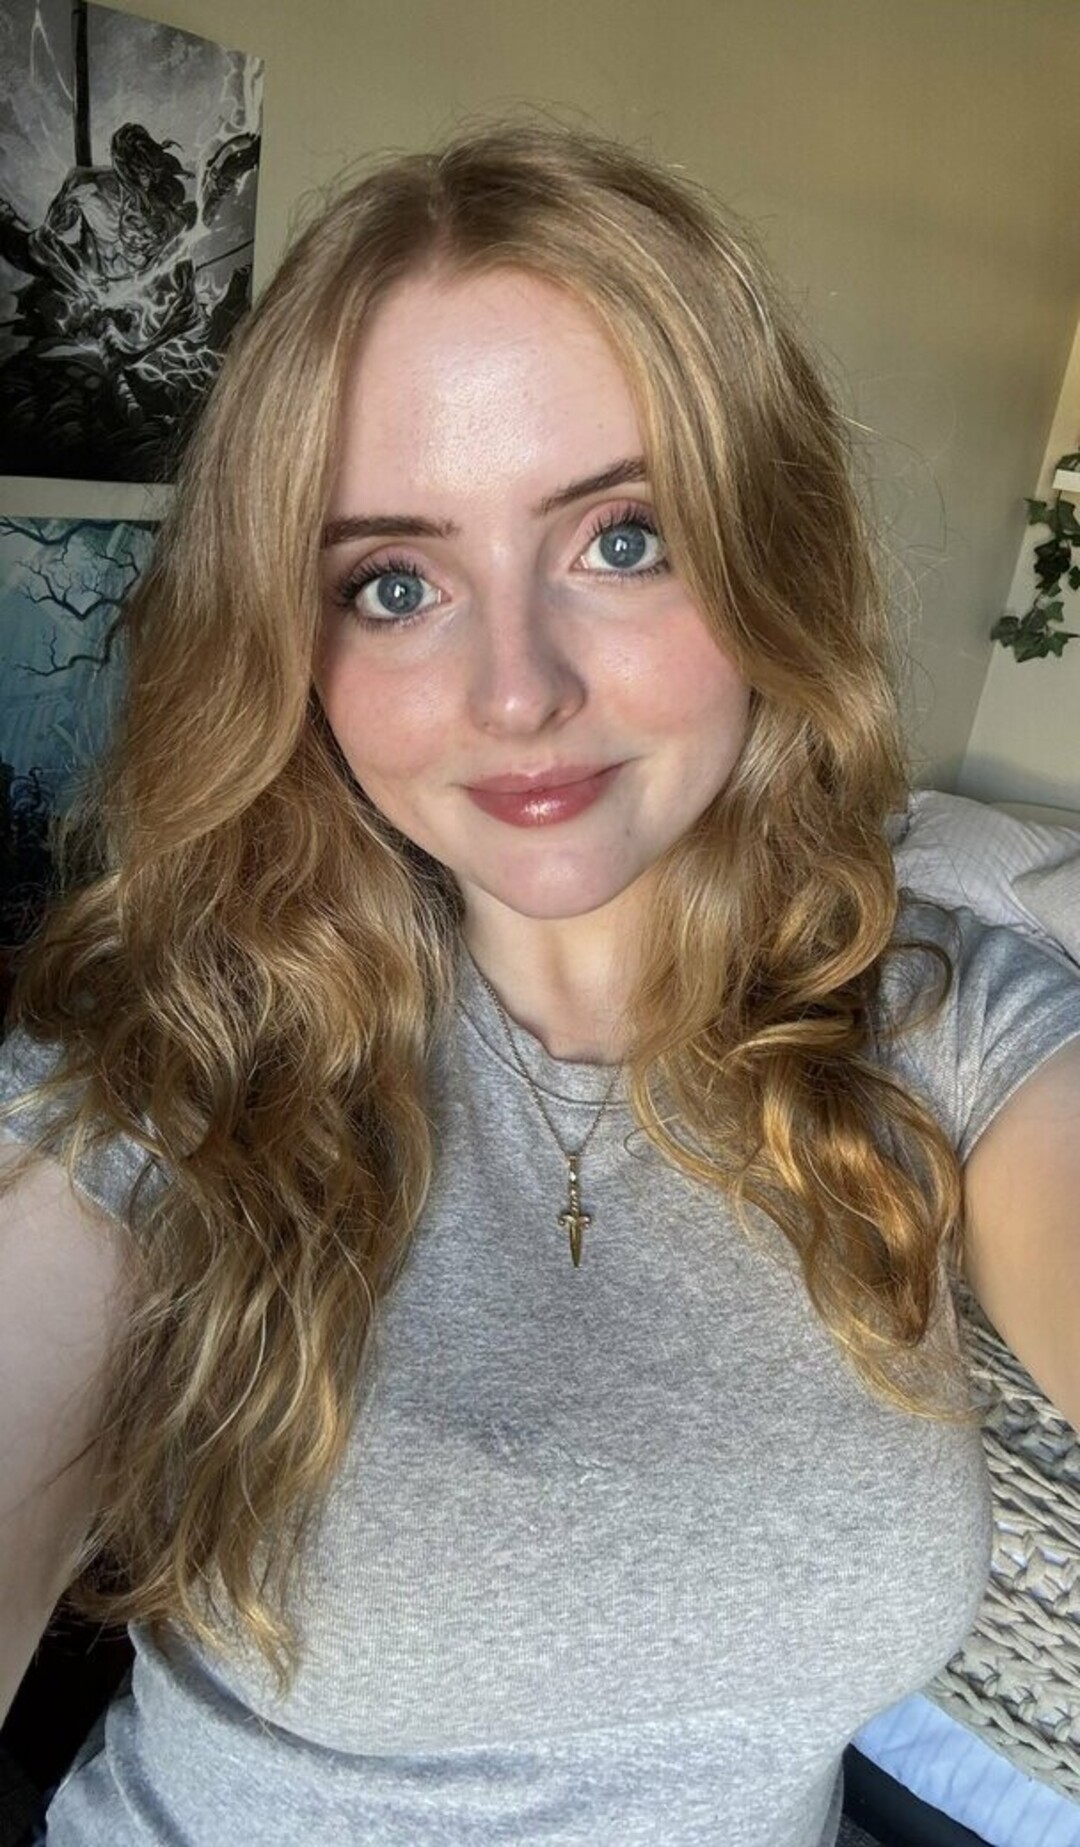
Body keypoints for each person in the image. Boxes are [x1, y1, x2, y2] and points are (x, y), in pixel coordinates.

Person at [1, 123, 1078, 1847]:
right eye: (394, 583)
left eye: (622, 540)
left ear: (768, 554)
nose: (516, 692)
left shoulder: (933, 1019)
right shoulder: (165, 1072)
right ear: (293, 644)